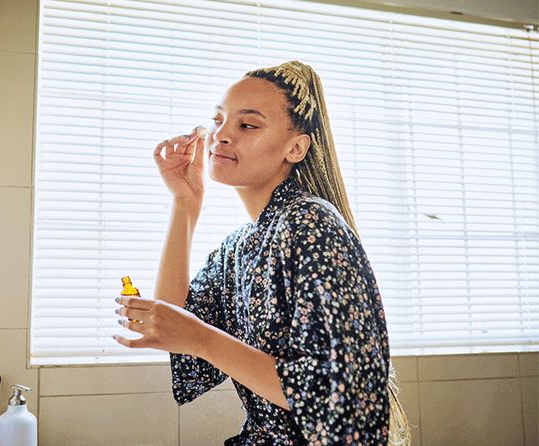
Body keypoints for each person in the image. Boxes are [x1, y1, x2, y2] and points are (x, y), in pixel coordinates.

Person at [114, 60, 410, 445]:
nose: (221, 135)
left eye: (247, 125)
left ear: (296, 147)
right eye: (218, 120)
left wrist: (201, 338)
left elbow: (335, 396)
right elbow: (174, 331)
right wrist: (185, 203)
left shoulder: (311, 224)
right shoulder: (238, 247)